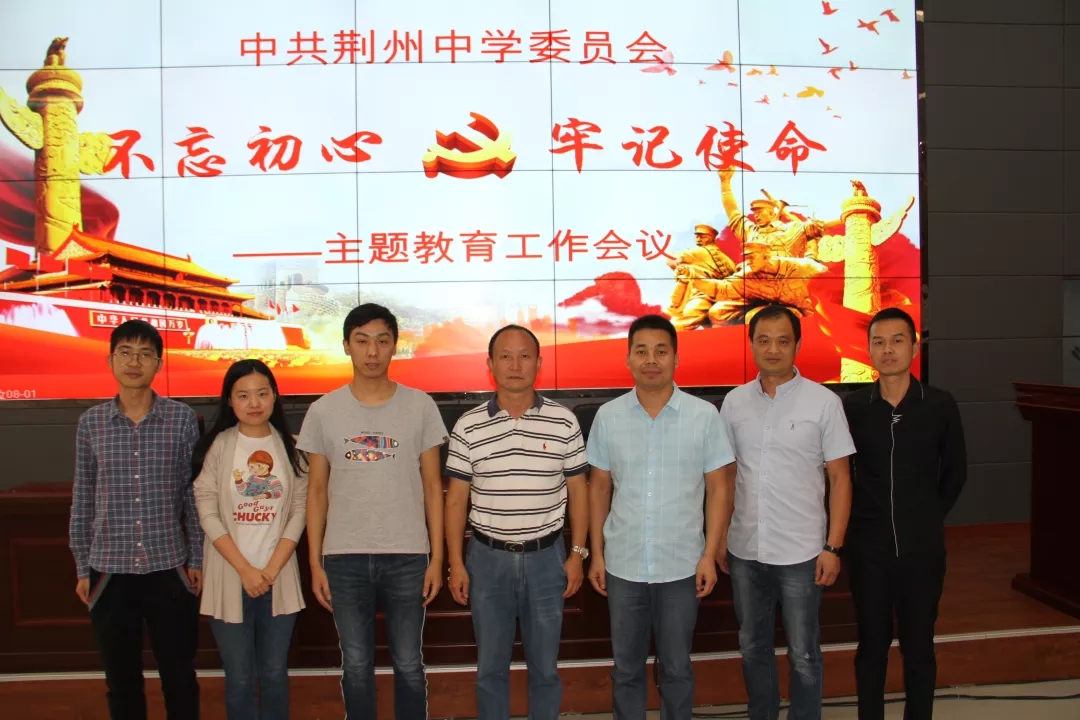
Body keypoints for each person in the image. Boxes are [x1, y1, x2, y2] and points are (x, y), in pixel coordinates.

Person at [296, 303, 447, 720]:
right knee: (357, 665)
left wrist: (437, 559)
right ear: (346, 346)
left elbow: (433, 488)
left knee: (409, 662)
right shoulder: (323, 410)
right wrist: (315, 562)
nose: (372, 351)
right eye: (362, 341)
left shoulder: (420, 406)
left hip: (407, 555)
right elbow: (317, 491)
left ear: (395, 345)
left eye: (382, 341)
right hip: (343, 557)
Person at [586, 314, 735, 720]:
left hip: (682, 565)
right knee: (626, 669)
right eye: (641, 351)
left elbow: (719, 489)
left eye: (660, 351)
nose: (651, 360)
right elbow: (598, 488)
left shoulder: (703, 415)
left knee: (677, 668)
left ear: (676, 358)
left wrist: (709, 555)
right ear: (628, 359)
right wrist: (596, 554)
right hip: (623, 564)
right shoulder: (608, 416)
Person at [444, 324, 589, 720]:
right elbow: (455, 500)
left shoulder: (563, 421)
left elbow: (579, 491)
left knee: (545, 668)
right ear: (490, 364)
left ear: (539, 363)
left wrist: (577, 555)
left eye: (524, 356)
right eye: (505, 356)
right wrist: (456, 562)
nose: (515, 365)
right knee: (490, 669)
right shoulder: (468, 425)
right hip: (487, 560)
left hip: (547, 559)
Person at [718, 305, 855, 720]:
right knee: (752, 646)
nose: (773, 349)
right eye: (764, 340)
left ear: (797, 344)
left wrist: (833, 547)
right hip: (745, 549)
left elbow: (841, 478)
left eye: (782, 341)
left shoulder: (824, 402)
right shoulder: (734, 402)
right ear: (751, 344)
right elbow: (726, 476)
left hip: (802, 552)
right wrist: (719, 538)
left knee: (803, 653)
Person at [69, 320, 203, 720]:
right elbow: (83, 496)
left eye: (145, 354)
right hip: (109, 570)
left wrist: (197, 558)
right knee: (121, 679)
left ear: (158, 364)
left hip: (169, 566)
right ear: (110, 360)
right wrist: (82, 566)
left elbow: (192, 494)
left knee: (179, 676)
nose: (134, 362)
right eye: (125, 352)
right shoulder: (91, 423)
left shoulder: (182, 419)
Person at [842, 307, 967, 720]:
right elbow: (840, 475)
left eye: (897, 341)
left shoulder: (939, 404)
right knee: (871, 647)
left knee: (919, 646)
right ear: (868, 350)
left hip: (922, 549)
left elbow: (955, 472)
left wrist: (927, 516)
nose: (888, 350)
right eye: (878, 342)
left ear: (914, 348)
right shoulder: (853, 407)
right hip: (868, 549)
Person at [192, 359, 309, 720]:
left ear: (275, 396)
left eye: (262, 393)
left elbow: (300, 510)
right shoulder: (218, 446)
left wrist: (270, 570)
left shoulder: (292, 447)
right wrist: (245, 570)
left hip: (278, 578)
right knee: (240, 677)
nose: (254, 403)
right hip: (231, 576)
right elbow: (207, 510)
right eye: (243, 395)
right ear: (230, 401)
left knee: (274, 674)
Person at [672, 241, 828, 330]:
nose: (748, 261)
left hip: (814, 318)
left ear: (767, 256)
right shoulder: (748, 275)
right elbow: (721, 289)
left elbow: (832, 283)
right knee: (723, 313)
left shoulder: (805, 268)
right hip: (785, 314)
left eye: (752, 257)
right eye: (746, 257)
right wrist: (693, 277)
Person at [718, 166, 825, 260]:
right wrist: (725, 182)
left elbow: (820, 226)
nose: (756, 216)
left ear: (772, 214)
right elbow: (733, 211)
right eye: (755, 213)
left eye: (760, 212)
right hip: (754, 275)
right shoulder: (750, 231)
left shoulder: (790, 229)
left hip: (783, 275)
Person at [666, 223, 737, 319]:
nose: (698, 239)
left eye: (703, 237)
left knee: (680, 321)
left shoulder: (698, 252)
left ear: (712, 238)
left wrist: (683, 270)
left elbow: (670, 259)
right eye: (697, 237)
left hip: (704, 298)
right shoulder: (729, 260)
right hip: (723, 301)